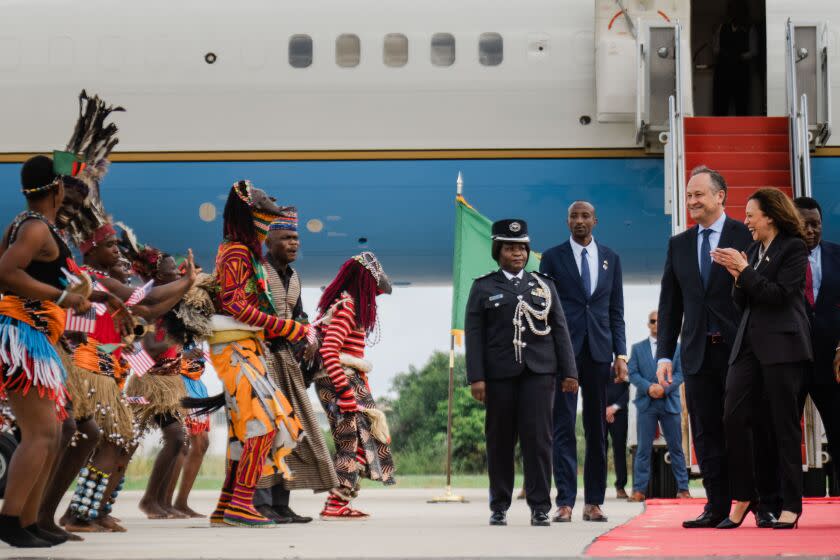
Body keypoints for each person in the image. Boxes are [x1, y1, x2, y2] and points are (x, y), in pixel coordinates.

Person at [656, 166, 779, 528]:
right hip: (696, 352)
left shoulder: (748, 235)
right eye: (689, 195)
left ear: (720, 196)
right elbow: (670, 305)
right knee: (706, 431)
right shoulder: (678, 245)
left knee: (751, 426)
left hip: (742, 349)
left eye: (699, 194)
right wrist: (665, 353)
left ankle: (764, 504)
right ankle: (717, 505)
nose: (692, 201)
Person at [185, 180, 307, 528]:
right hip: (235, 347)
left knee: (246, 430)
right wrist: (287, 327)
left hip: (243, 346)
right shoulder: (238, 252)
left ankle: (227, 507)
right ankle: (241, 505)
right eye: (266, 203)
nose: (273, 203)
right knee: (263, 426)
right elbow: (238, 305)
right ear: (251, 212)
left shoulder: (238, 250)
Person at [0, 155, 91, 548]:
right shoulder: (35, 228)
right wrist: (62, 296)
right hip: (23, 335)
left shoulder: (34, 227)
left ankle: (29, 519)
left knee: (53, 433)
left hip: (38, 337)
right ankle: (9, 523)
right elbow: (6, 273)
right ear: (55, 190)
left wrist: (98, 298)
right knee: (39, 433)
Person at [466, 219, 578, 527]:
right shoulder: (483, 287)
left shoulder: (544, 285)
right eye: (510, 248)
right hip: (499, 375)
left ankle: (540, 506)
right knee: (499, 441)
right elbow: (474, 335)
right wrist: (476, 377)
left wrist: (570, 372)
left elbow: (560, 331)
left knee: (539, 441)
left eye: (522, 248)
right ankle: (499, 505)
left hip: (540, 373)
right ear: (497, 251)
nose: (518, 253)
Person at [712, 188, 812, 529]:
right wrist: (738, 275)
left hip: (783, 345)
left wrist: (746, 272)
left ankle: (791, 505)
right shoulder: (753, 250)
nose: (747, 221)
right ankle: (744, 495)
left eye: (751, 214)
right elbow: (742, 302)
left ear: (769, 215)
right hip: (749, 345)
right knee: (733, 417)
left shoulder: (794, 248)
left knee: (783, 425)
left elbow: (778, 296)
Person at [540, 201, 627, 523]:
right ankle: (564, 501)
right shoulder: (551, 258)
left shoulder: (611, 259)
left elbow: (615, 310)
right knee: (562, 427)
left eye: (585, 216)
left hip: (600, 353)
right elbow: (544, 308)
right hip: (565, 355)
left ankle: (593, 502)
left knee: (596, 430)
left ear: (595, 220)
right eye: (574, 216)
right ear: (567, 222)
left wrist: (621, 355)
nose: (580, 221)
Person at [254, 211, 338, 523]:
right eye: (287, 238)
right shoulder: (256, 272)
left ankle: (280, 503)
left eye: (296, 239)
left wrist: (309, 338)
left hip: (286, 360)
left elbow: (299, 316)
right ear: (269, 241)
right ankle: (259, 503)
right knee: (263, 430)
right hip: (258, 358)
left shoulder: (295, 277)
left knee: (291, 431)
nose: (293, 243)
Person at [315, 251, 395, 520]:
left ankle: (340, 501)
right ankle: (336, 503)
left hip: (347, 378)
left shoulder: (349, 304)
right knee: (354, 441)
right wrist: (346, 393)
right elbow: (329, 350)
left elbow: (387, 288)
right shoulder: (348, 306)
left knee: (358, 439)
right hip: (342, 378)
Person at [126, 250, 190, 520]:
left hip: (169, 382)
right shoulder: (151, 306)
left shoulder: (173, 305)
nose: (176, 273)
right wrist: (180, 335)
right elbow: (150, 347)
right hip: (149, 382)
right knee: (127, 443)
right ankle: (148, 500)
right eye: (170, 270)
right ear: (157, 275)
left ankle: (159, 501)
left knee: (179, 441)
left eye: (177, 269)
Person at [793, 197, 840, 484]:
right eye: (804, 225)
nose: (811, 231)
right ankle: (782, 503)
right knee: (784, 434)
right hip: (792, 361)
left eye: (816, 224)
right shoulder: (778, 260)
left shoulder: (838, 255)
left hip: (831, 362)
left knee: (839, 432)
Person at [627, 310, 690, 502]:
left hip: (669, 402)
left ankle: (683, 489)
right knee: (644, 450)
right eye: (653, 321)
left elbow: (680, 373)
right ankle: (639, 490)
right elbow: (633, 373)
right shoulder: (637, 348)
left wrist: (664, 388)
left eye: (661, 321)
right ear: (648, 324)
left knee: (676, 448)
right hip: (646, 404)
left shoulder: (677, 349)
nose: (657, 324)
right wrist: (649, 388)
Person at [606, 359, 629, 500]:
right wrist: (604, 409)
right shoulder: (596, 364)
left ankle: (620, 486)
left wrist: (614, 408)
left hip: (619, 414)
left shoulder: (624, 366)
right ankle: (599, 486)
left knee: (619, 450)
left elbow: (630, 390)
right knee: (598, 450)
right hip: (598, 412)